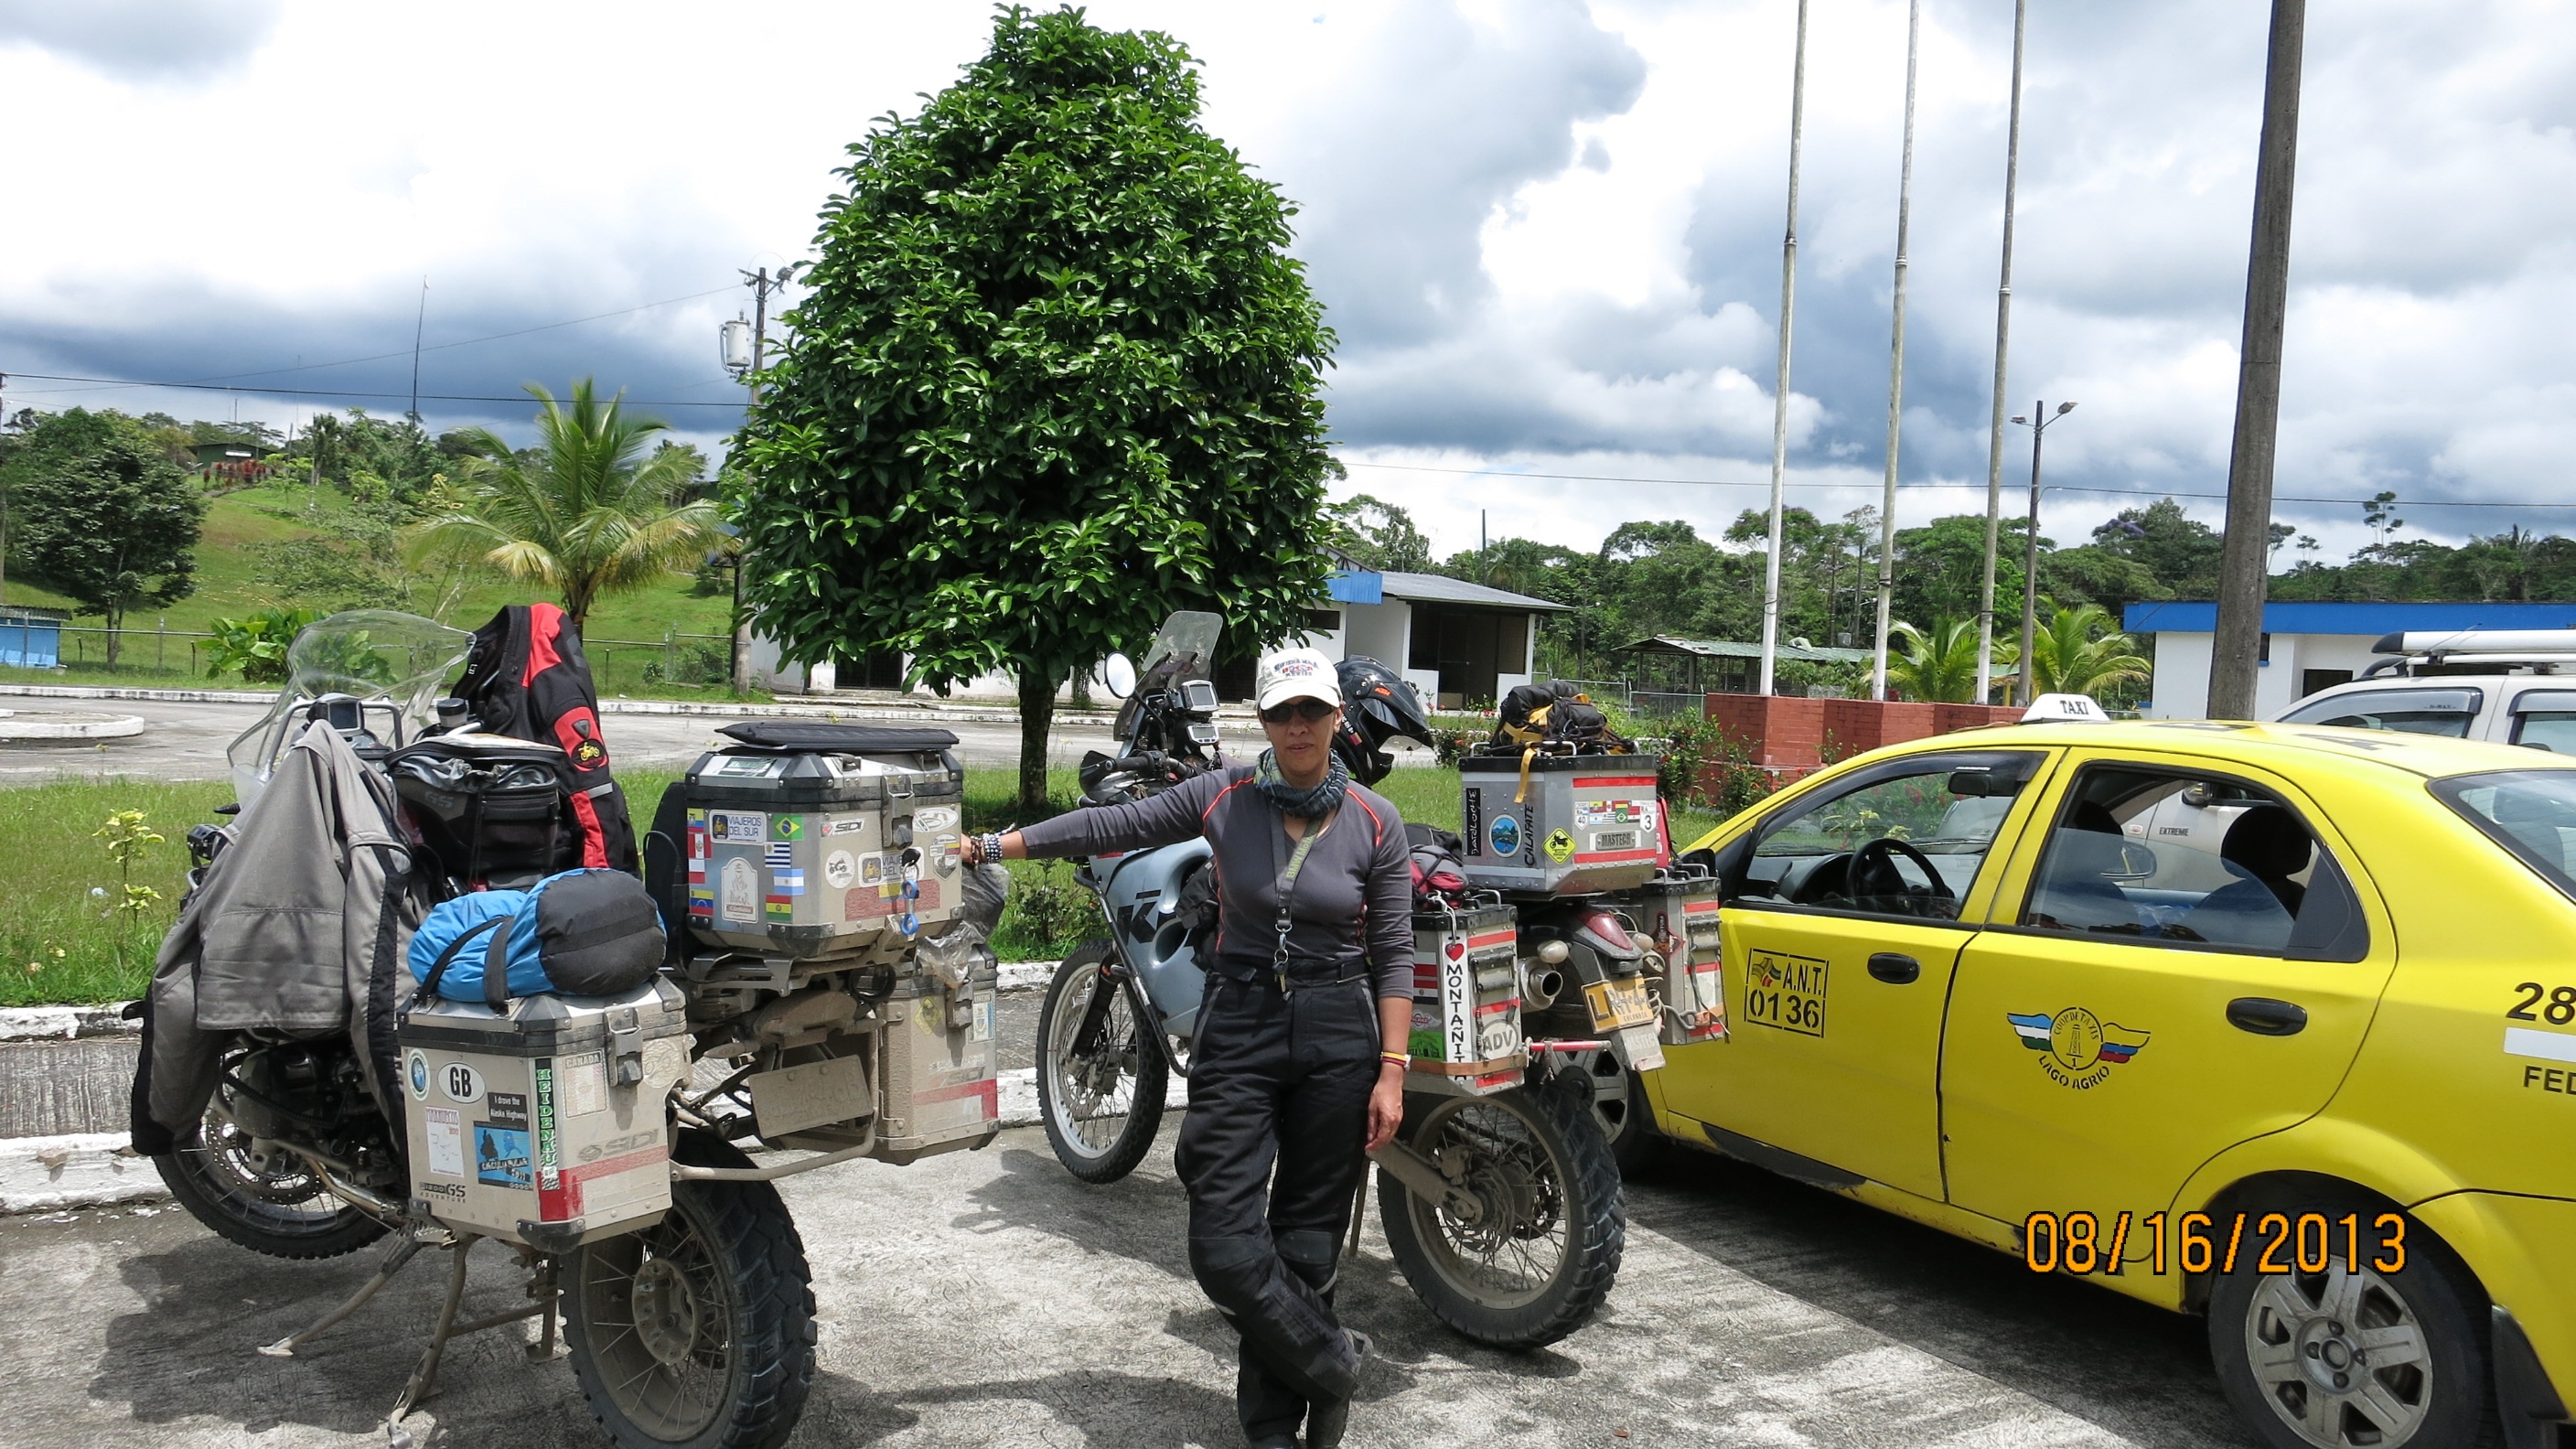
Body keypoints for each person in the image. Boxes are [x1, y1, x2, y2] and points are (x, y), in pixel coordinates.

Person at [965, 646, 1413, 1449]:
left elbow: (1394, 952)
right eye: (1282, 712)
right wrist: (994, 847)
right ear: (1263, 721)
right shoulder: (1224, 794)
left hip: (1339, 1032)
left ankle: (1275, 1431)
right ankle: (1335, 1363)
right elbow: (1112, 824)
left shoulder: (1376, 821)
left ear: (1337, 717)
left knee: (1306, 1244)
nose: (1299, 726)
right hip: (1240, 1019)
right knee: (1224, 1250)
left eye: (1313, 710)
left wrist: (1393, 1071)